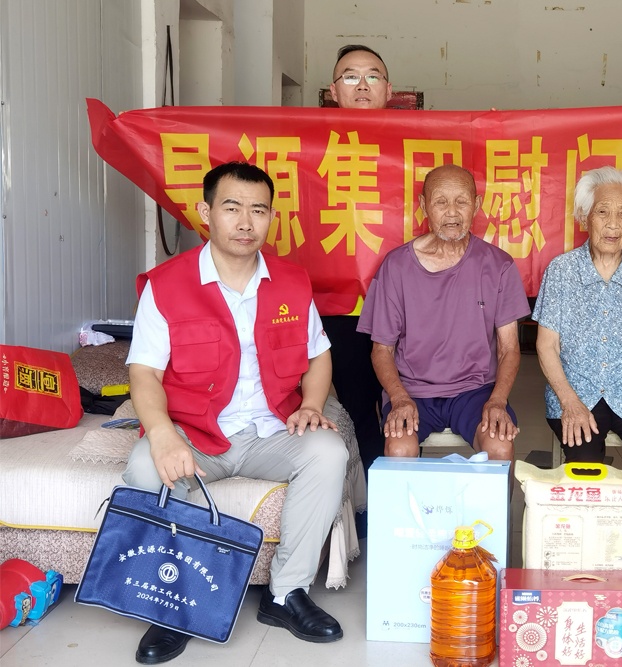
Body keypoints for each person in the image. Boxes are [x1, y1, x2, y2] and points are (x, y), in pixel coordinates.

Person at [124, 162, 348, 664]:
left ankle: (285, 593)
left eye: (258, 210)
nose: (246, 222)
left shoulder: (291, 282)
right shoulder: (167, 285)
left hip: (272, 429)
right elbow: (144, 373)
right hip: (195, 434)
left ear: (270, 218)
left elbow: (319, 355)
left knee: (329, 452)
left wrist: (311, 405)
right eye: (232, 208)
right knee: (143, 467)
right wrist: (161, 433)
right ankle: (173, 604)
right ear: (205, 213)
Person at [532, 166, 622, 513]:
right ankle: (595, 546)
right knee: (585, 473)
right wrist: (569, 401)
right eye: (603, 211)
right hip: (577, 394)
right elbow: (546, 345)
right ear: (585, 216)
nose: (613, 224)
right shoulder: (561, 271)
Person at [357, 164, 530, 460]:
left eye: (461, 201)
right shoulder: (396, 266)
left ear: (476, 205)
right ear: (424, 205)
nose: (452, 212)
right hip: (411, 390)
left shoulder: (498, 265)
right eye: (440, 202)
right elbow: (382, 350)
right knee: (399, 447)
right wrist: (399, 398)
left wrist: (498, 401)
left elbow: (509, 349)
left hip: (476, 390)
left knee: (499, 446)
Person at [323, 44, 394, 477]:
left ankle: (407, 491)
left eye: (373, 76)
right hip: (338, 304)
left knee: (405, 403)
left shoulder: (418, 142)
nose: (362, 85)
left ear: (389, 89)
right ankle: (374, 496)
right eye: (350, 76)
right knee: (357, 404)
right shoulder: (306, 144)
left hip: (407, 300)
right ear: (334, 90)